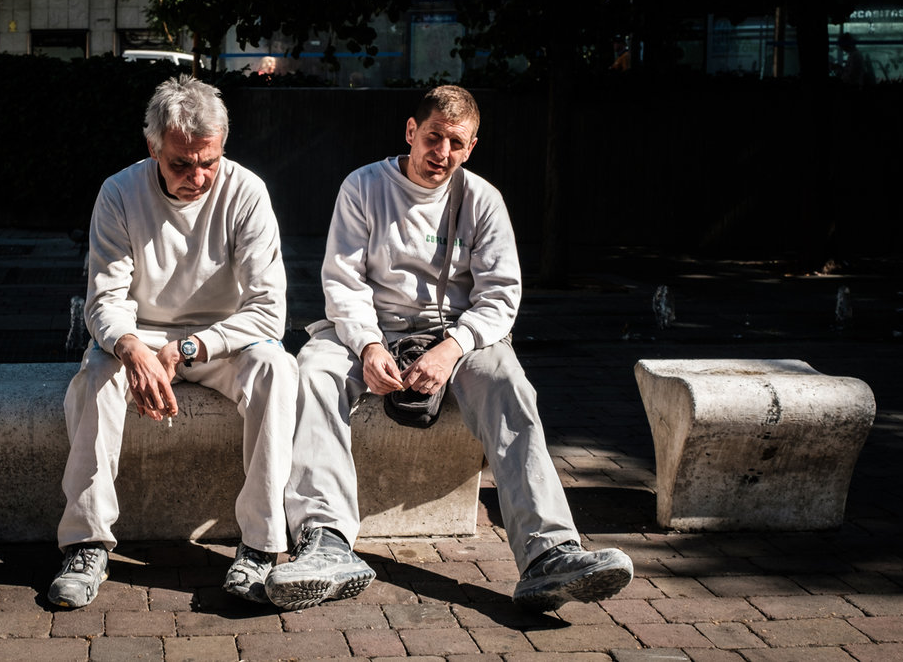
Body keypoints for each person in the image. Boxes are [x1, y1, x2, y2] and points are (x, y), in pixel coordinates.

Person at [266, 85, 633, 612]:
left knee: (507, 380)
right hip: (369, 328)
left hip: (455, 334)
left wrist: (452, 347)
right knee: (314, 370)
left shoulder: (483, 200)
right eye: (433, 137)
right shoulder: (363, 186)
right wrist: (368, 345)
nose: (442, 152)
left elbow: (500, 297)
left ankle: (548, 553)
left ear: (471, 147)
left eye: (456, 143)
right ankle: (325, 542)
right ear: (411, 131)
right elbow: (343, 282)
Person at [48, 76, 297, 609]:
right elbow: (104, 300)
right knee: (96, 377)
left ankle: (260, 545)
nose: (198, 177)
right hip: (141, 334)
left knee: (277, 369)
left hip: (222, 339)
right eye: (181, 164)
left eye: (209, 162)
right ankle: (86, 543)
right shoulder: (120, 192)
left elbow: (269, 310)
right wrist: (131, 348)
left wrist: (189, 349)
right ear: (153, 148)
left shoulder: (246, 191)